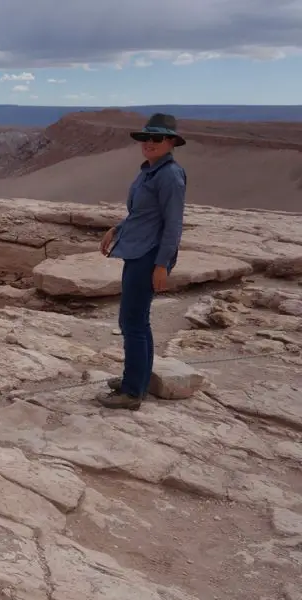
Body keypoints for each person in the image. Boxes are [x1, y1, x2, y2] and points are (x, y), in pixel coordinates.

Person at [97, 113, 187, 410]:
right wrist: (117, 228)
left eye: (157, 138)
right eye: (146, 138)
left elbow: (173, 224)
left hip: (148, 255)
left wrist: (162, 265)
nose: (149, 143)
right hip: (137, 250)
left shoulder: (169, 175)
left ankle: (132, 391)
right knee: (136, 320)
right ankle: (138, 378)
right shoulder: (149, 170)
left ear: (171, 141)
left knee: (132, 321)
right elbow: (143, 214)